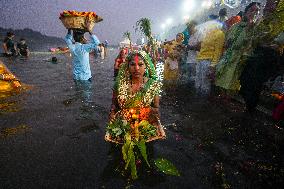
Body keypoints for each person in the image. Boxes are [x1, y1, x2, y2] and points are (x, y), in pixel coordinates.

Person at [239, 0, 284, 113]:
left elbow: (276, 42)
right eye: (266, 6)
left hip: (268, 55)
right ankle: (249, 105)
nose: (266, 8)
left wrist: (268, 43)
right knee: (245, 79)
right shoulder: (262, 21)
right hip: (257, 52)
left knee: (255, 83)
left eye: (270, 5)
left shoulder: (279, 22)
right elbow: (252, 37)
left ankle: (250, 108)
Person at [108, 50, 165, 138]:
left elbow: (156, 108)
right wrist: (112, 112)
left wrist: (155, 112)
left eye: (141, 64)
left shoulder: (153, 85)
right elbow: (114, 105)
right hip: (124, 127)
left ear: (146, 66)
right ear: (127, 66)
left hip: (144, 127)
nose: (137, 68)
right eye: (133, 64)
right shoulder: (119, 84)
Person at [215, 2, 261, 92]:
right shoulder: (235, 26)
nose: (254, 13)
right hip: (227, 60)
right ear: (246, 11)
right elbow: (227, 43)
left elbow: (250, 46)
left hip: (240, 64)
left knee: (230, 89)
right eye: (252, 10)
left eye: (257, 12)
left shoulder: (256, 29)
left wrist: (249, 28)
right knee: (219, 87)